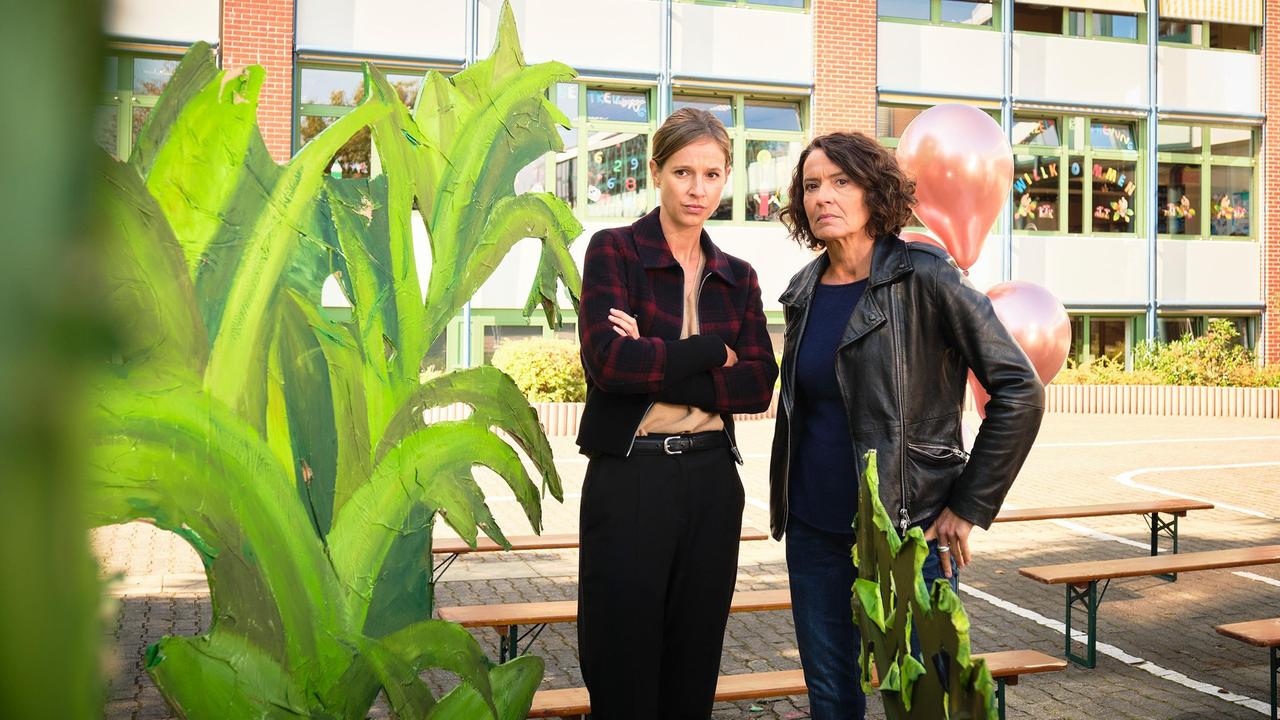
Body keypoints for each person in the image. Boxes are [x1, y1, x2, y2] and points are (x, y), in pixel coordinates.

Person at [768, 131, 1044, 719]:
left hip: (911, 531)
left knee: (928, 703)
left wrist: (968, 505)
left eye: (842, 182)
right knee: (832, 700)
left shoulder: (925, 275)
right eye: (811, 185)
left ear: (875, 193)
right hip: (814, 530)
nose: (823, 197)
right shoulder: (804, 292)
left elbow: (1021, 389)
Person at [575, 108, 779, 719]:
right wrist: (705, 353)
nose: (698, 189)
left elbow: (758, 384)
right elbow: (610, 365)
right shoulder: (614, 251)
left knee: (694, 660)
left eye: (712, 174)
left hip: (713, 480)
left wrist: (656, 357)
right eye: (684, 172)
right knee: (622, 660)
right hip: (632, 478)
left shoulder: (737, 277)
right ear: (656, 171)